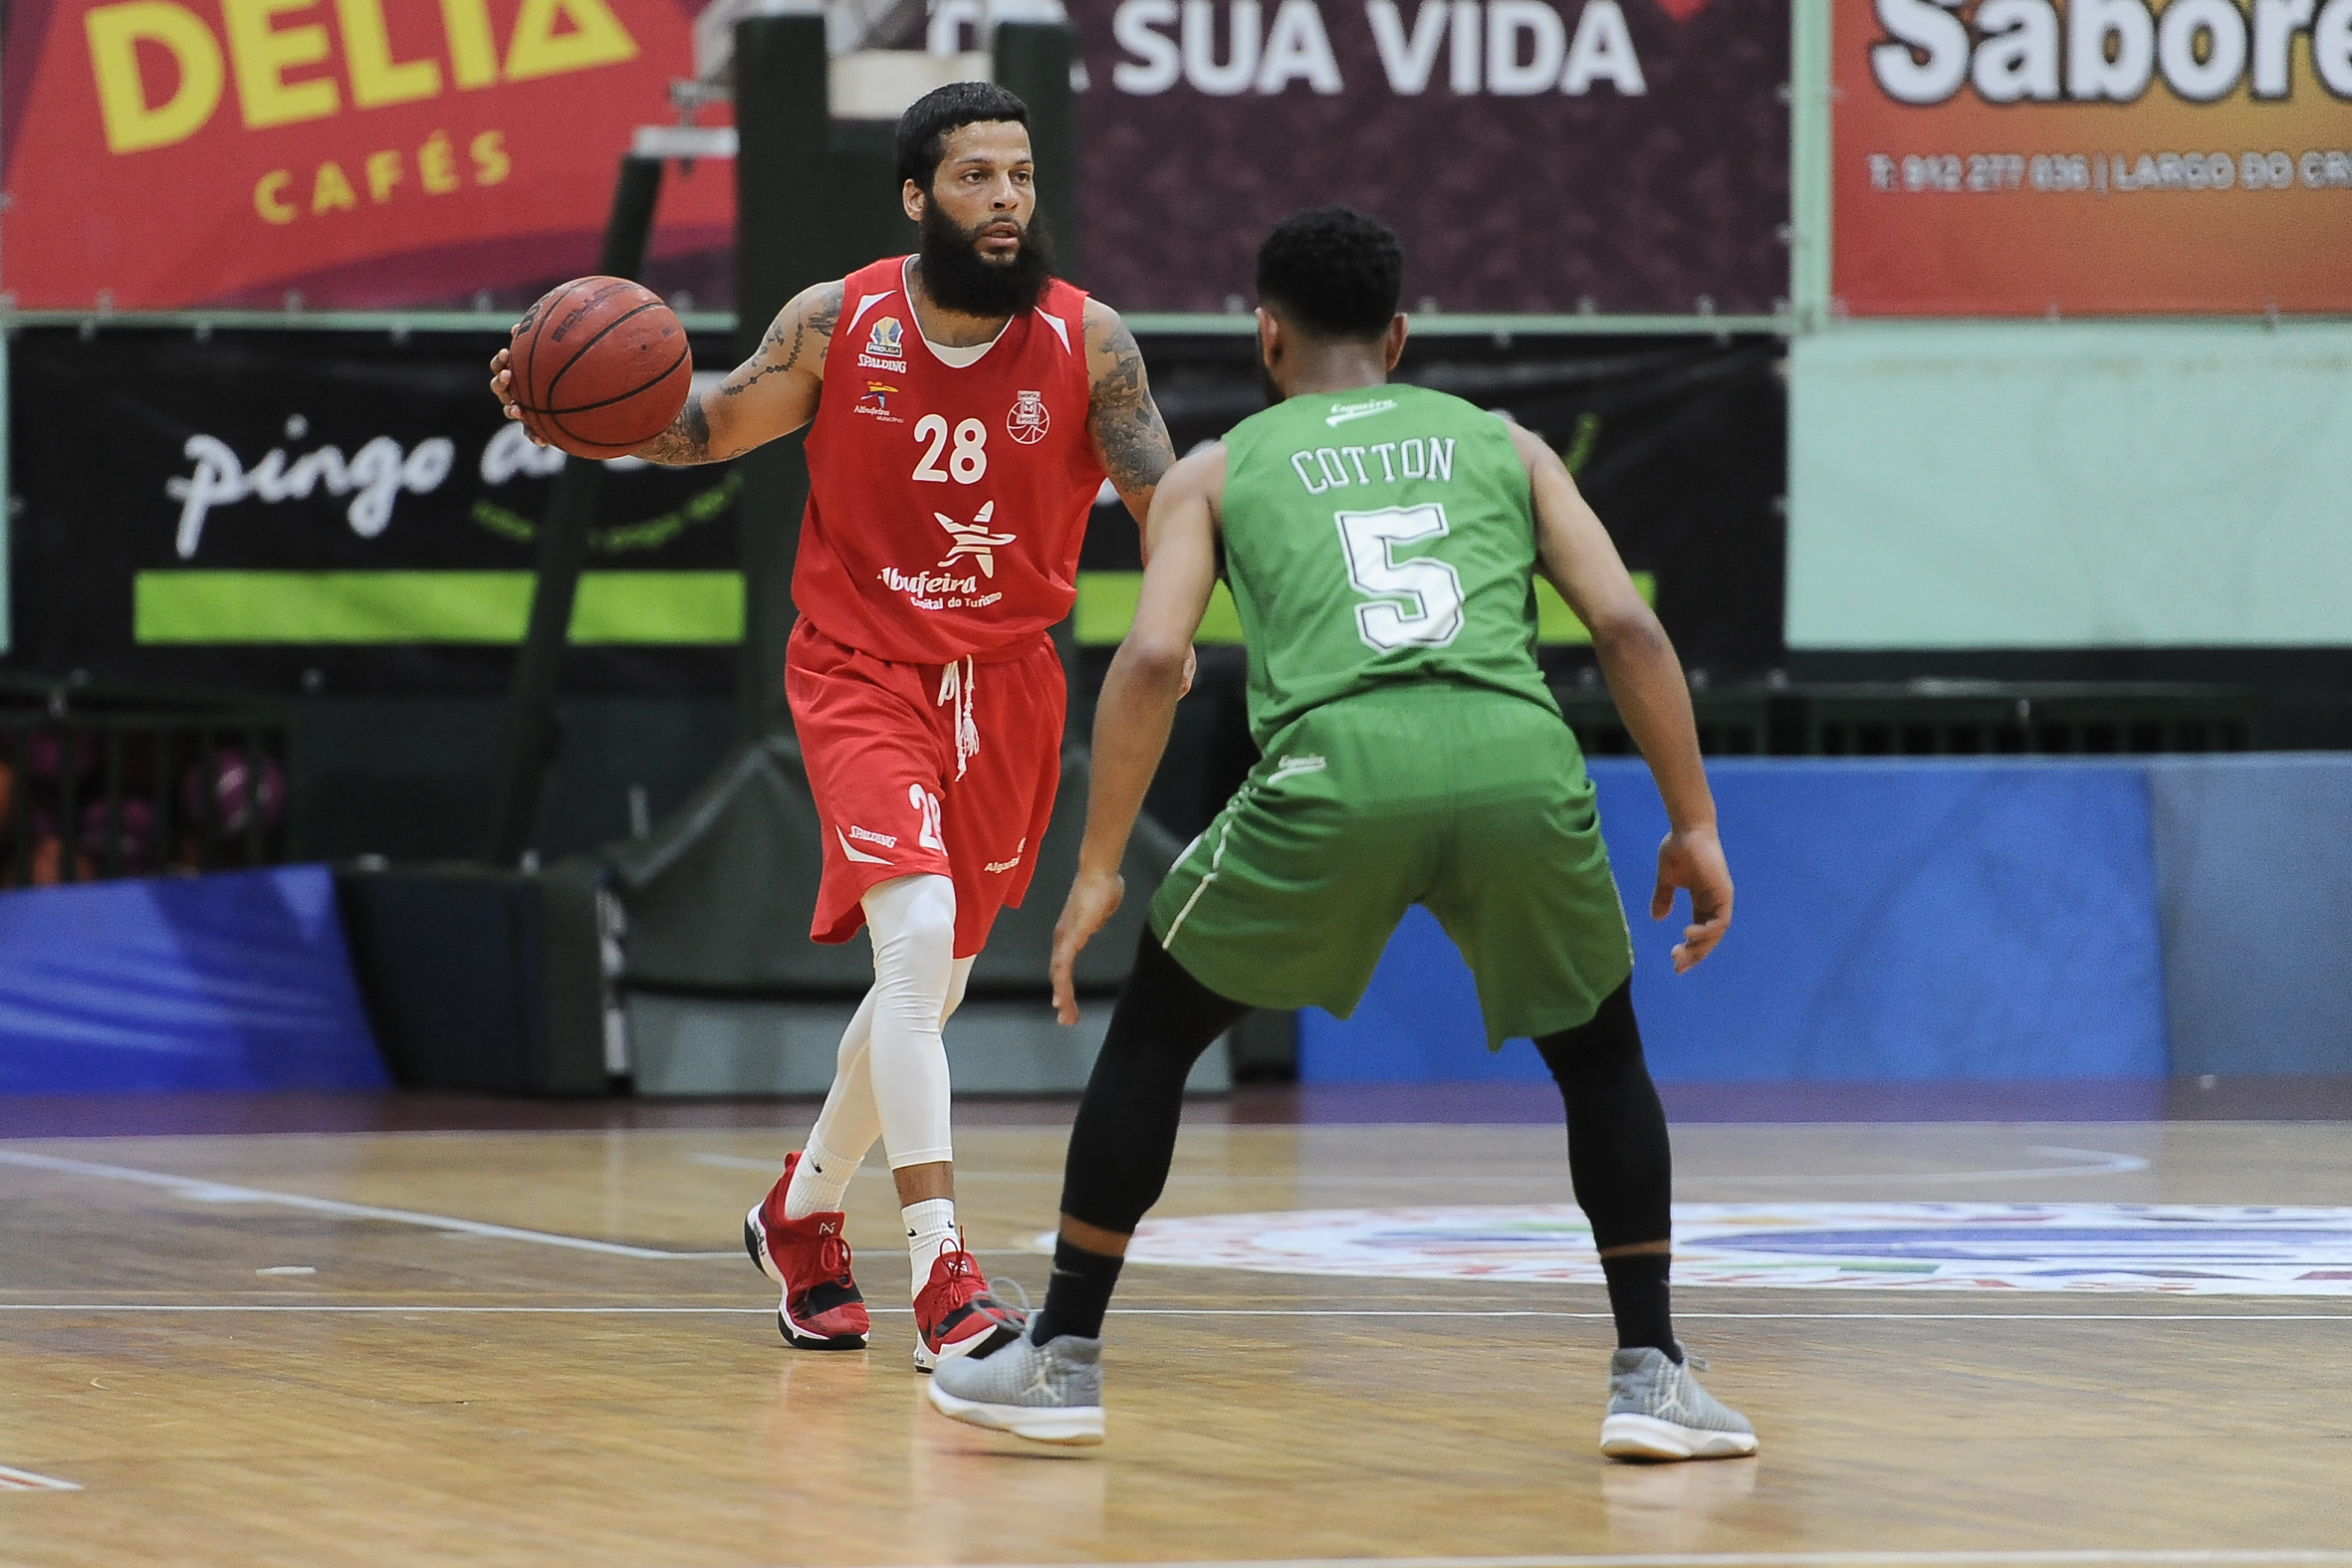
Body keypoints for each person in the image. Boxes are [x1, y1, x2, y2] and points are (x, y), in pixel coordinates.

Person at [926, 206, 1758, 1458]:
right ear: (1399, 335)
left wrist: (1098, 866)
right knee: (1599, 1057)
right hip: (1516, 761)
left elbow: (1150, 660)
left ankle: (1063, 1359)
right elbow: (1627, 629)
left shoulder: (1215, 471)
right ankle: (1651, 1376)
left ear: (1266, 334)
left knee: (1157, 1033)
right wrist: (1693, 822)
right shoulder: (1506, 443)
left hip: (1338, 767)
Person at [490, 83, 1179, 1372]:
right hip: (860, 669)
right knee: (912, 943)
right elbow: (705, 427)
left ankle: (799, 1214)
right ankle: (944, 1275)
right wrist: (588, 416)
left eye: (1020, 175)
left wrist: (1185, 610)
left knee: (934, 982)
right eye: (974, 176)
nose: (1005, 199)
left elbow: (1166, 505)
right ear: (916, 197)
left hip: (1008, 684)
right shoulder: (835, 320)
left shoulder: (1090, 343)